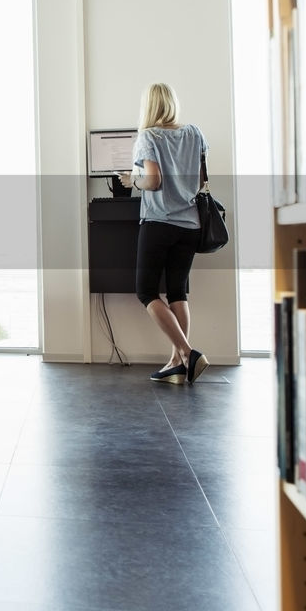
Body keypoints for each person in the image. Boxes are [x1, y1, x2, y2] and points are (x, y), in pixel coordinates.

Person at [118, 83, 210, 385]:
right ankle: (177, 363)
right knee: (177, 291)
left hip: (159, 223)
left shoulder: (149, 136)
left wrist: (133, 181)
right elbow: (200, 182)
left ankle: (187, 351)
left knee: (146, 291)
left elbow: (153, 181)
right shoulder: (194, 133)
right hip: (190, 225)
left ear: (149, 106)